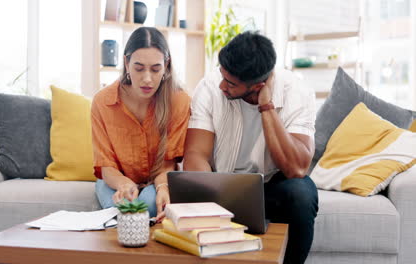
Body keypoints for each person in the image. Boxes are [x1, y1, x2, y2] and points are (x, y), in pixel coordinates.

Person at [183, 31, 318, 264]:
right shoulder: (209, 87)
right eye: (222, 76)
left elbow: (297, 168)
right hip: (220, 184)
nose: (223, 86)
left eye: (232, 84)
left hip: (271, 186)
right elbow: (196, 154)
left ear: (258, 86)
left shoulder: (297, 92)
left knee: (302, 194)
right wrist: (207, 200)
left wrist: (266, 107)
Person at [91, 27, 191, 221]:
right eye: (138, 68)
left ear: (166, 65)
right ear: (126, 63)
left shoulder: (179, 101)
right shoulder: (102, 102)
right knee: (124, 211)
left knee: (148, 209)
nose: (147, 79)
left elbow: (168, 164)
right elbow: (106, 166)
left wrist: (162, 187)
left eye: (155, 69)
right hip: (115, 179)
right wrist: (123, 184)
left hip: (159, 179)